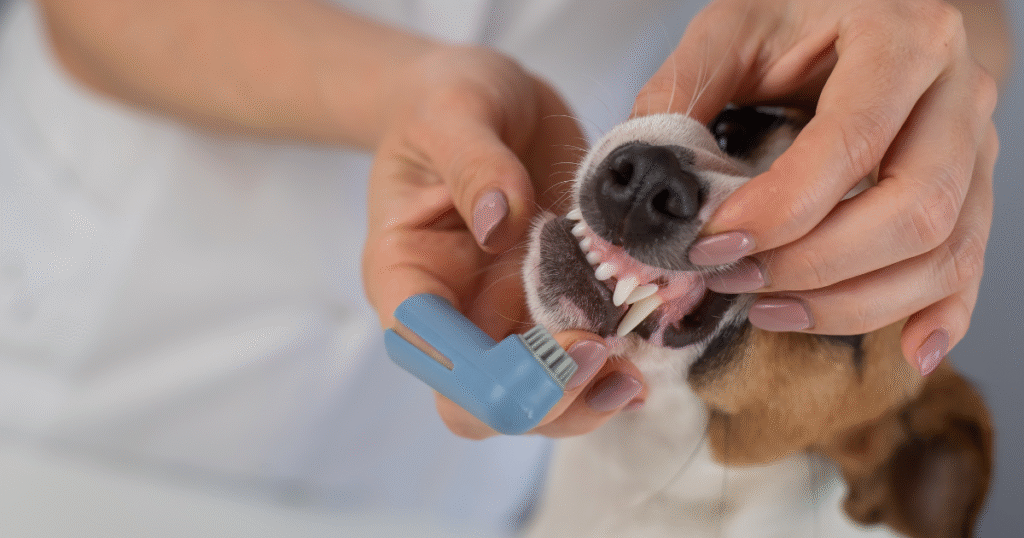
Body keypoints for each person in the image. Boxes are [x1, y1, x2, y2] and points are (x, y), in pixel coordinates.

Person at [0, 0, 1011, 534]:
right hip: (89, 391)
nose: (682, 196)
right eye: (737, 129)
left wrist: (924, 37)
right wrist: (412, 93)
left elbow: (951, 17)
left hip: (448, 483)